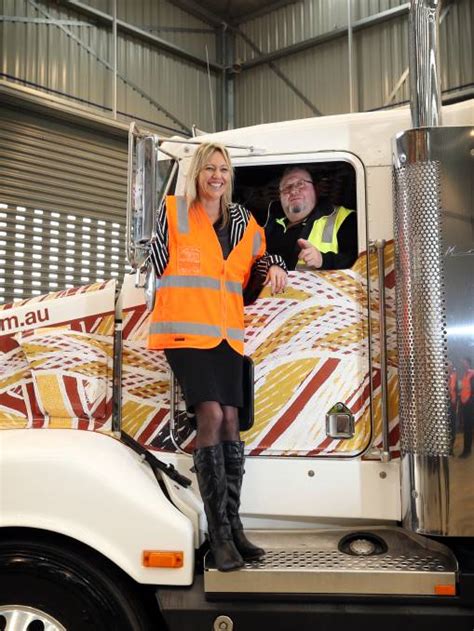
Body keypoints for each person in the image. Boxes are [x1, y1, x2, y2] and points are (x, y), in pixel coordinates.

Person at [148, 143, 288, 572]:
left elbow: (259, 259)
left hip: (227, 335)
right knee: (210, 415)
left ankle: (234, 524)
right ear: (197, 173)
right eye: (209, 168)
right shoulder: (174, 211)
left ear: (230, 177)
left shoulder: (243, 219)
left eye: (223, 169)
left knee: (230, 419)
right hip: (186, 332)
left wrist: (276, 266)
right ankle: (219, 535)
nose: (216, 175)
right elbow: (155, 264)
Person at [265, 166, 357, 270]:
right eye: (287, 187)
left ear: (315, 189)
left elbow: (359, 263)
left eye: (301, 184)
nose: (293, 191)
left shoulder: (343, 218)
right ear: (280, 196)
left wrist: (323, 260)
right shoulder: (268, 225)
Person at [460, 357, 474, 458]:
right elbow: (464, 390)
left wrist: (469, 402)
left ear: (468, 363)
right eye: (462, 363)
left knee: (468, 428)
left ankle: (467, 450)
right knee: (467, 428)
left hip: (470, 405)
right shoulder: (464, 375)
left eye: (464, 362)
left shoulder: (472, 374)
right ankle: (466, 448)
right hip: (465, 404)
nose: (463, 364)